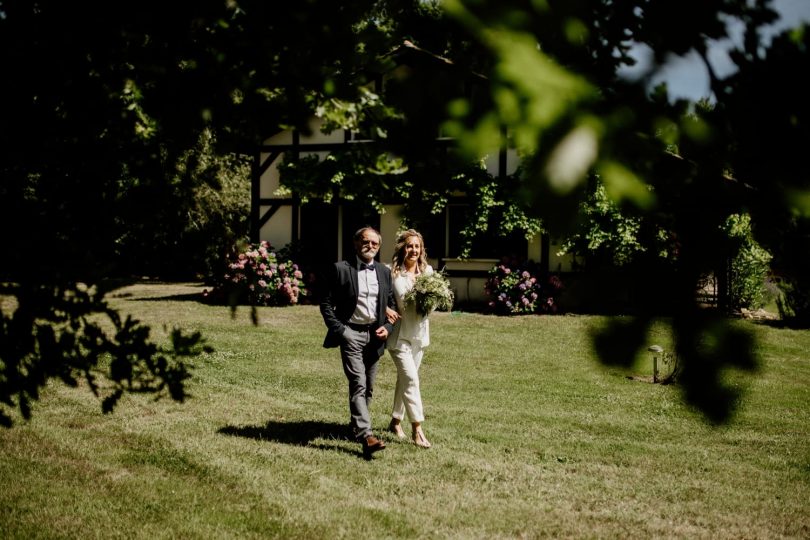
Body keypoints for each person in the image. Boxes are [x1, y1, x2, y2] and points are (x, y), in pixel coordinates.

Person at [319, 226, 399, 459]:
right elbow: (325, 303)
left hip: (375, 336)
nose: (370, 246)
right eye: (366, 242)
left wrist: (389, 327)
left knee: (369, 387)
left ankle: (356, 428)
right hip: (351, 333)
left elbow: (391, 305)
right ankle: (366, 435)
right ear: (355, 243)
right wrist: (341, 330)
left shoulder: (384, 272)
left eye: (375, 243)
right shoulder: (341, 269)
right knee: (358, 382)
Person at [386, 229, 433, 448]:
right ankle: (418, 429)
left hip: (419, 335)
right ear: (402, 248)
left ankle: (395, 421)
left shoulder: (429, 273)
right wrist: (386, 309)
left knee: (405, 380)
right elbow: (380, 298)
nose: (413, 250)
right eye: (409, 246)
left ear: (421, 249)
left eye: (417, 246)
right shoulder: (391, 273)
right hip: (399, 336)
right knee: (411, 380)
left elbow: (433, 305)